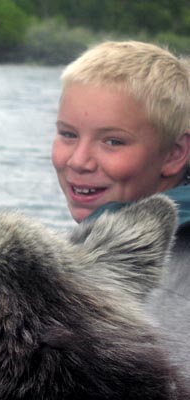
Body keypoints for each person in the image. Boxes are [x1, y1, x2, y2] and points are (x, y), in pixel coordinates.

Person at [51, 40, 190, 375]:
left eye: (113, 141)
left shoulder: (171, 285)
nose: (78, 160)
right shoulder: (93, 242)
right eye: (68, 134)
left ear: (174, 154)